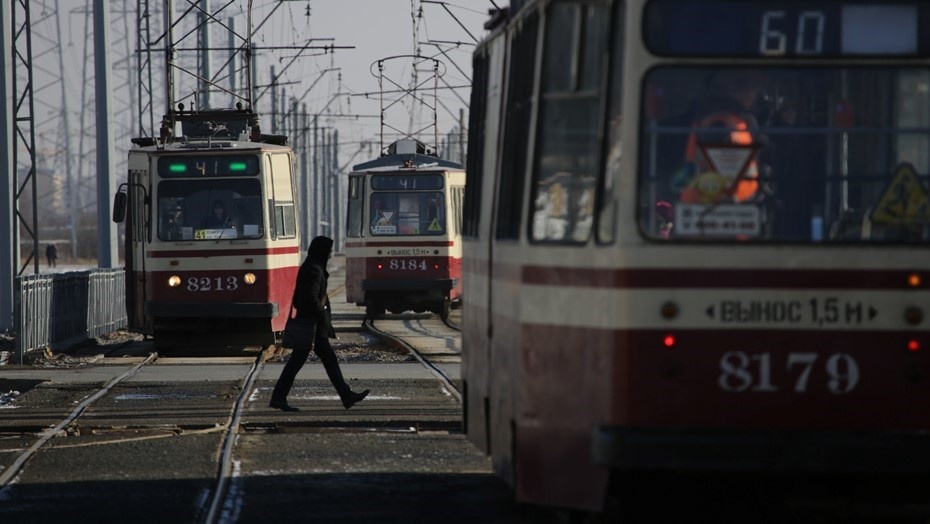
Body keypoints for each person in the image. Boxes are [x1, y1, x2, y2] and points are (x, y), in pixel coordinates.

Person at [270, 236, 370, 412]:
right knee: (299, 361)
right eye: (329, 251)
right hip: (311, 324)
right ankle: (278, 397)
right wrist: (321, 315)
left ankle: (346, 395)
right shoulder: (314, 270)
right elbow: (310, 297)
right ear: (322, 251)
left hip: (312, 323)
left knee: (322, 360)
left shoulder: (311, 267)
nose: (331, 254)